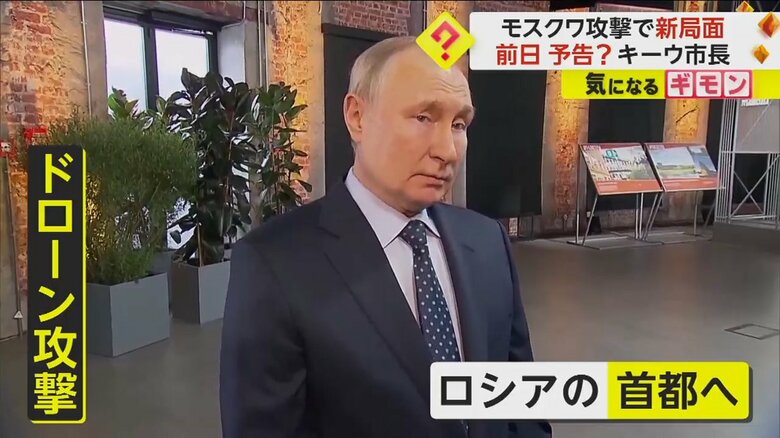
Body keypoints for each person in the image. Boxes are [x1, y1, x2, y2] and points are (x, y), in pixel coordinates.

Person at [220, 36, 551, 438]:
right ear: (357, 116)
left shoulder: (487, 241)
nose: (448, 150)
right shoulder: (274, 264)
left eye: (459, 124)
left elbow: (521, 401)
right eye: (423, 117)